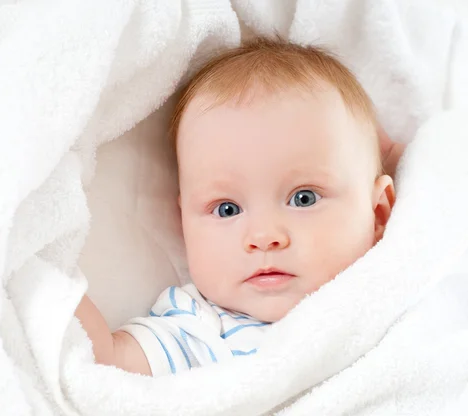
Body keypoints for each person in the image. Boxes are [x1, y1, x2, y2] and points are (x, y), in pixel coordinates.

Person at [75, 37, 398, 377]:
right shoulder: (199, 326)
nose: (263, 237)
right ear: (182, 223)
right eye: (227, 209)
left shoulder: (394, 281)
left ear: (377, 212)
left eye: (304, 198)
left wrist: (395, 155)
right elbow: (109, 363)